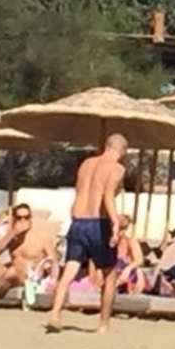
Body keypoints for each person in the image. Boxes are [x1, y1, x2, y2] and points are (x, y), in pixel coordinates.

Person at [46, 133, 129, 333]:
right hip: (98, 223)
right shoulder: (117, 168)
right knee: (110, 275)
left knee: (69, 271)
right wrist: (115, 222)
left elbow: (79, 191)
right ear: (122, 150)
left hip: (77, 221)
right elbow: (107, 197)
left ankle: (55, 313)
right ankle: (103, 324)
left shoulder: (86, 164)